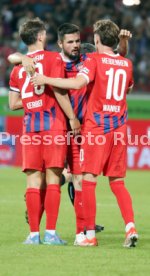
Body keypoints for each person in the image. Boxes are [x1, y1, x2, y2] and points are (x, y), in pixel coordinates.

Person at [31, 19, 138, 248]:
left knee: (82, 179)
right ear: (60, 43)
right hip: (89, 127)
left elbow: (81, 81)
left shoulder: (90, 60)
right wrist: (122, 44)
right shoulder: (123, 62)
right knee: (83, 178)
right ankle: (126, 227)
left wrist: (44, 79)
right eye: (71, 41)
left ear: (95, 40)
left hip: (91, 127)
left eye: (79, 41)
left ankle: (85, 232)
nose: (77, 45)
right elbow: (119, 66)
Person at [9, 18, 80, 245]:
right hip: (53, 126)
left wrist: (33, 99)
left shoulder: (17, 69)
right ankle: (50, 233)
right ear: (40, 36)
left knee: (32, 182)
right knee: (52, 179)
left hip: (30, 128)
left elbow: (12, 104)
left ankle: (33, 235)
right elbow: (60, 92)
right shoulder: (53, 58)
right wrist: (72, 117)